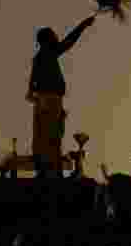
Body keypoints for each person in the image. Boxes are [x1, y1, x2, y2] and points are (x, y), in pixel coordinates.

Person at [27, 16, 96, 177]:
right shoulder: (48, 53)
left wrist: (35, 95)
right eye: (53, 36)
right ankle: (51, 170)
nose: (56, 38)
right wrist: (83, 25)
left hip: (45, 100)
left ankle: (46, 168)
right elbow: (69, 41)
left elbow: (31, 84)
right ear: (48, 39)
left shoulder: (39, 57)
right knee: (52, 135)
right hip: (50, 100)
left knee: (46, 135)